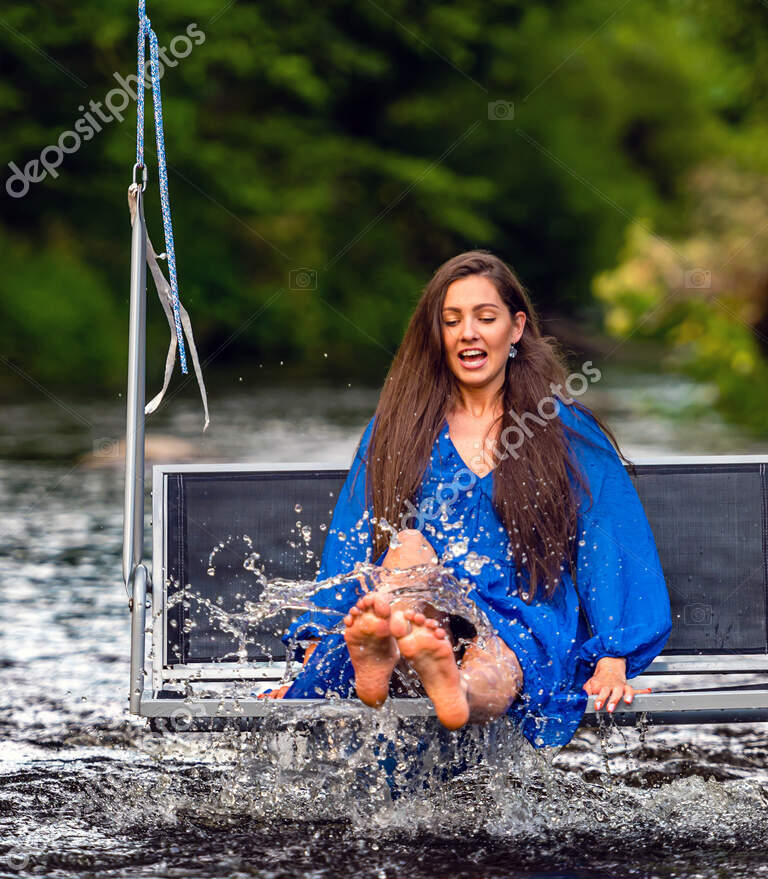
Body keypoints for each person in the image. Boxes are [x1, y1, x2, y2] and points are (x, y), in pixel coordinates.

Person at [258, 250, 672, 750]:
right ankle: (378, 656)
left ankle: (454, 689)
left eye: (485, 317)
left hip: (521, 612)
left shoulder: (562, 429)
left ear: (516, 328)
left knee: (497, 657)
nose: (468, 333)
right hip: (421, 608)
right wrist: (314, 656)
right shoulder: (398, 430)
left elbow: (608, 539)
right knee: (408, 546)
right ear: (438, 335)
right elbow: (354, 536)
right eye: (451, 321)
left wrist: (613, 658)